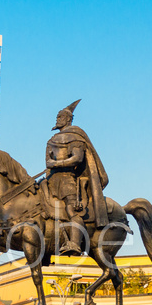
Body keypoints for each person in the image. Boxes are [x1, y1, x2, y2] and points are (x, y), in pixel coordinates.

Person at [45, 99, 109, 256]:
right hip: (51, 179)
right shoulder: (51, 140)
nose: (57, 119)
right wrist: (53, 164)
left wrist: (57, 163)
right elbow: (47, 162)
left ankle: (74, 243)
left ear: (67, 119)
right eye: (57, 117)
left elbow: (77, 158)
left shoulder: (75, 137)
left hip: (68, 179)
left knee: (72, 209)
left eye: (60, 117)